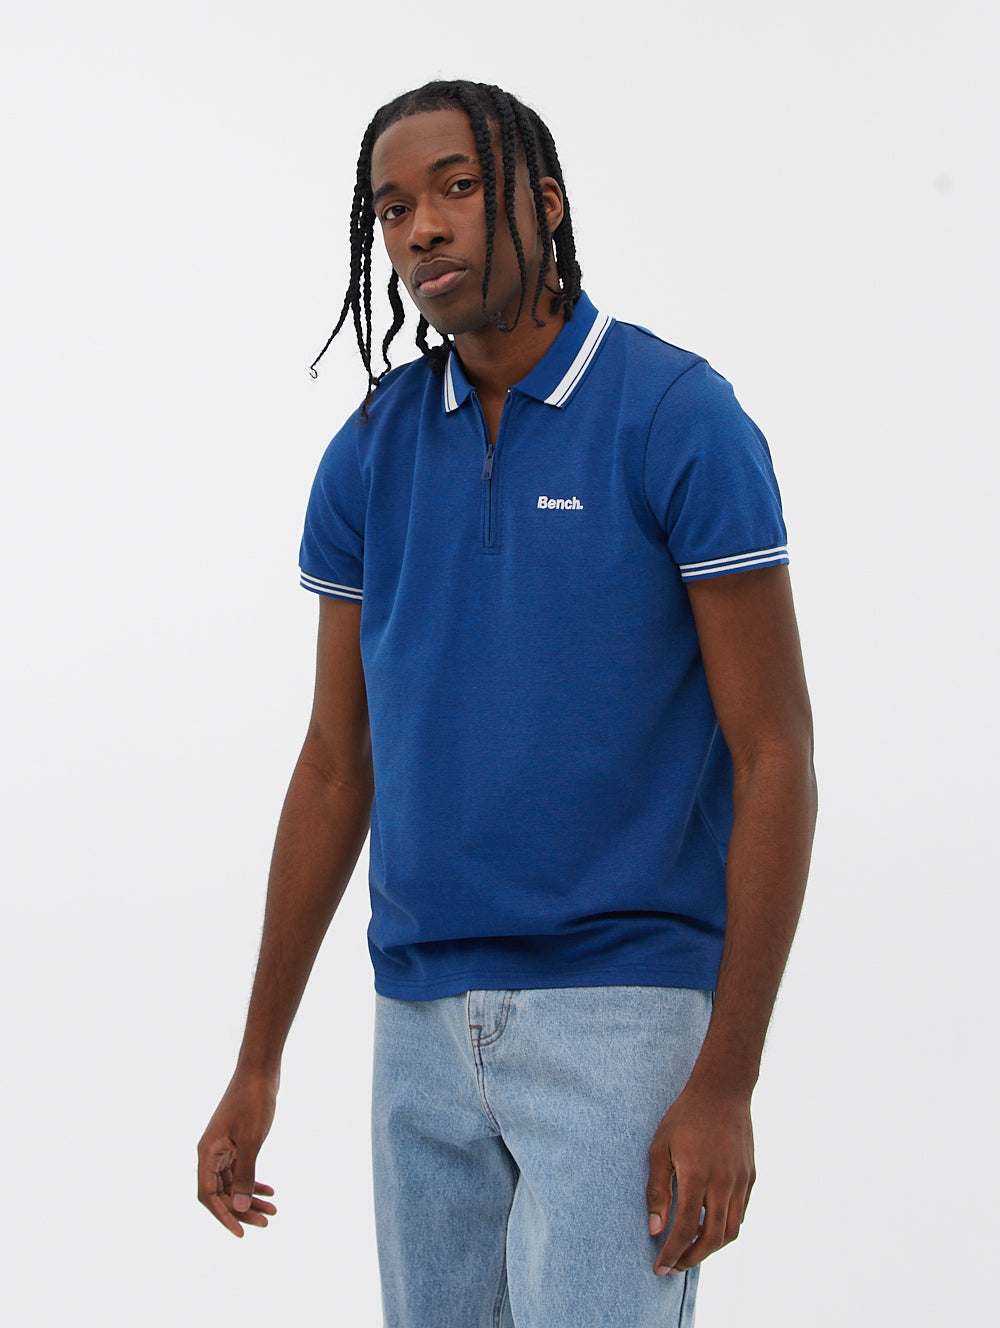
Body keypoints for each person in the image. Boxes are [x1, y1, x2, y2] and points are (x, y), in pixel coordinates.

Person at [197, 79, 817, 1328]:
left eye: (457, 187)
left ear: (544, 202)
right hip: (417, 1018)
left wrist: (726, 1079)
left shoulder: (676, 416)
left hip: (621, 1009)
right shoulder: (370, 449)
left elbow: (774, 754)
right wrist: (257, 1059)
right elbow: (335, 762)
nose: (421, 226)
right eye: (391, 207)